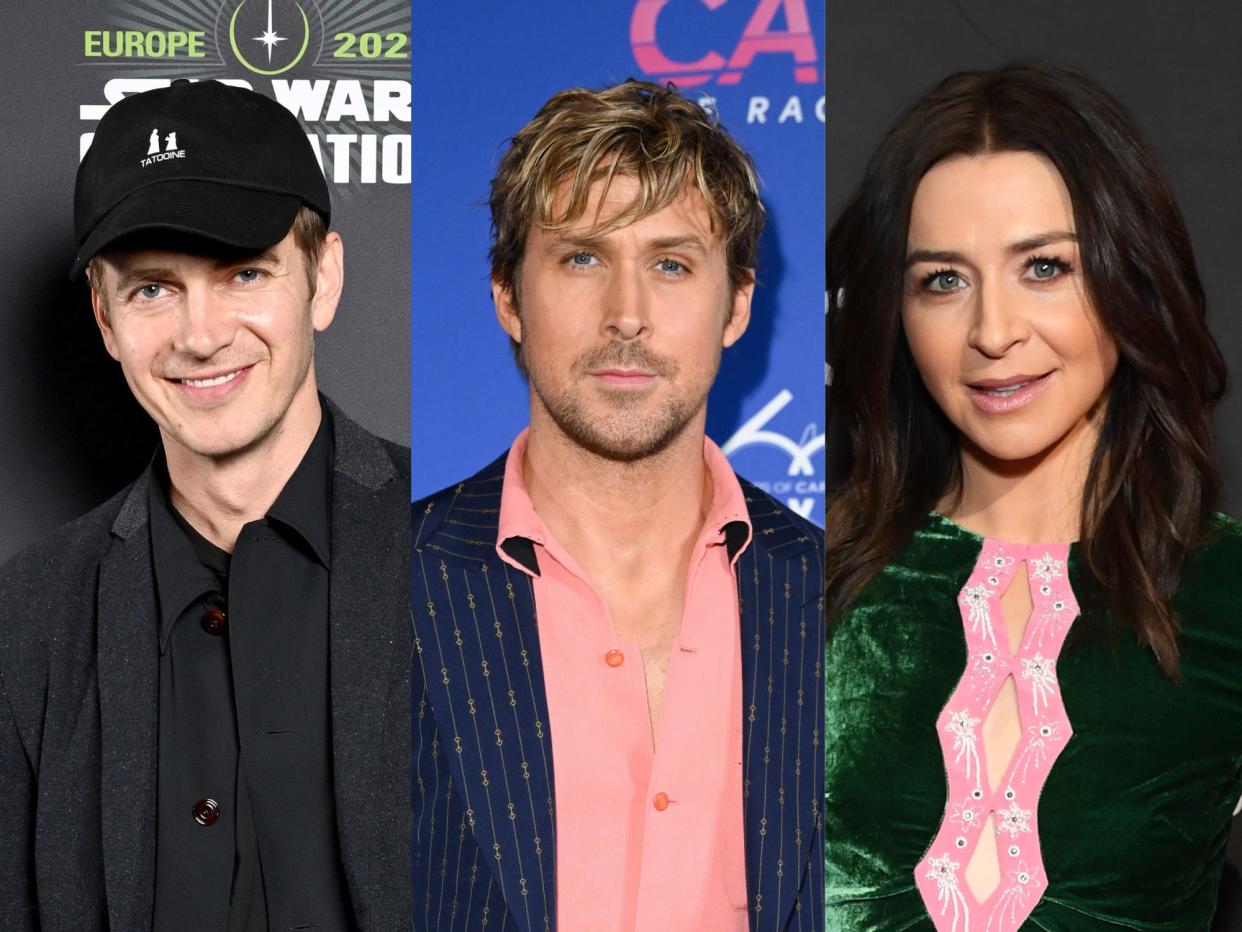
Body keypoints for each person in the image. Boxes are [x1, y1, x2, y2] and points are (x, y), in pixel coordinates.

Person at [825, 63, 1242, 930]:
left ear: (1133, 279)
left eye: (1045, 267)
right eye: (943, 280)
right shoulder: (797, 588)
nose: (993, 331)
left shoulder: (1228, 592)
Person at [411, 80, 824, 931]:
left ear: (738, 304)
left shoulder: (848, 597)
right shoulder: (379, 584)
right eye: (582, 258)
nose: (627, 315)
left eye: (671, 264)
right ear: (507, 298)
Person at [0, 80, 410, 930]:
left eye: (244, 273)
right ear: (106, 321)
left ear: (323, 279)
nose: (200, 334)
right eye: (154, 288)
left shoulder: (469, 553)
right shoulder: (27, 624)